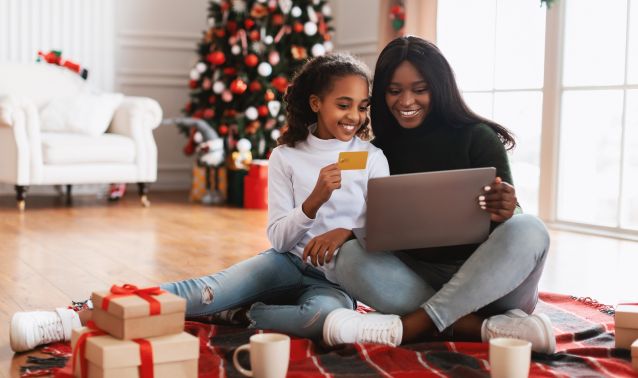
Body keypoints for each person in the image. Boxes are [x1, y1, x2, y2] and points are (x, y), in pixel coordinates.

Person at [9, 53, 390, 352]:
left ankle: (243, 313)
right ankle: (71, 317)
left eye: (362, 106)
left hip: (336, 280)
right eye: (343, 105)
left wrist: (347, 232)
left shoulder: (373, 158)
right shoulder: (286, 157)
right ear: (316, 102)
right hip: (285, 262)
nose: (354, 117)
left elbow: (381, 232)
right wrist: (313, 203)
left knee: (324, 319)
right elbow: (277, 239)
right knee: (198, 292)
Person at [321, 36, 555, 354]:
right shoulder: (376, 152)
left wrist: (507, 211)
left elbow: (509, 227)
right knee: (345, 258)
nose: (406, 101)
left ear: (440, 87)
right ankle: (478, 327)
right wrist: (347, 228)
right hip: (418, 280)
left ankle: (413, 325)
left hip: (491, 282)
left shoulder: (478, 138)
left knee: (529, 228)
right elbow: (362, 216)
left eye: (420, 89)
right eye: (394, 90)